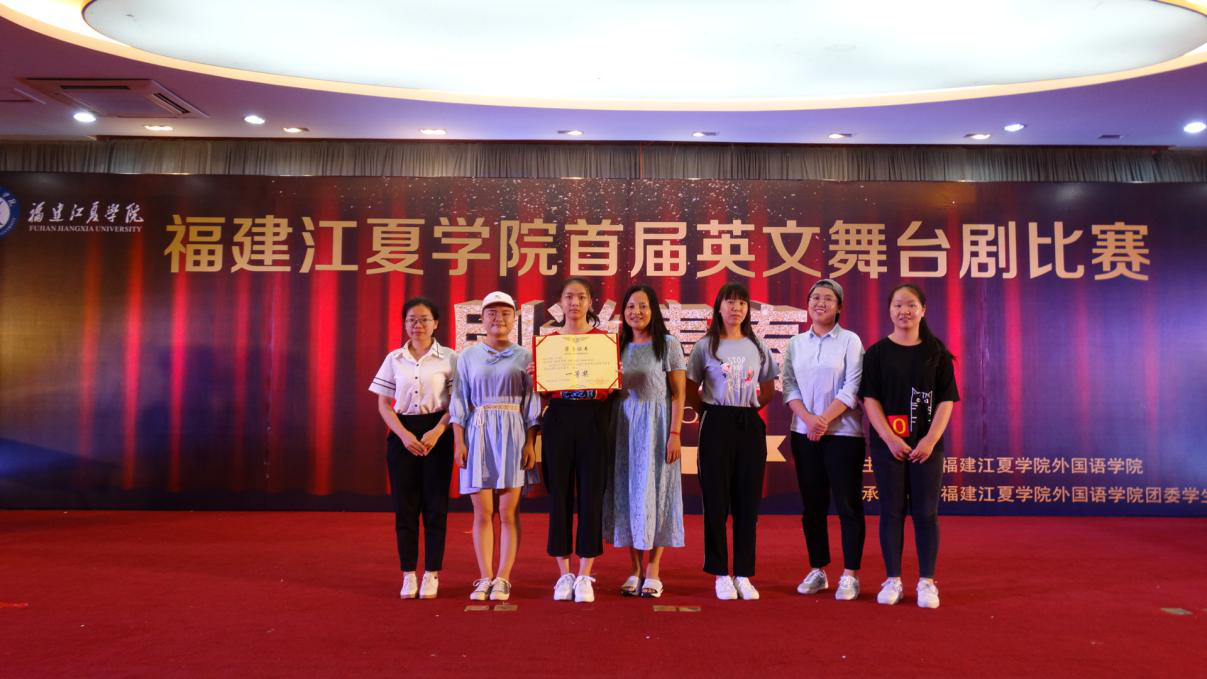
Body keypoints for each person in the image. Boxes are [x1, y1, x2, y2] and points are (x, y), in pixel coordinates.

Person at [859, 283, 959, 609]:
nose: (904, 311)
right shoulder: (876, 354)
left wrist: (930, 439)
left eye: (911, 305)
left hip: (927, 448)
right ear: (889, 311)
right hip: (888, 447)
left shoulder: (936, 353)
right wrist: (889, 438)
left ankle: (927, 581)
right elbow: (869, 399)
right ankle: (893, 579)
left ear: (923, 310)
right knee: (891, 511)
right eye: (898, 305)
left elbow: (946, 400)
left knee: (926, 513)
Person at [685, 282, 779, 601]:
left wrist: (747, 409)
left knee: (747, 502)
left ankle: (743, 573)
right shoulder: (705, 346)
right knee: (716, 501)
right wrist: (711, 412)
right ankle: (720, 573)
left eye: (741, 302)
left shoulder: (757, 345)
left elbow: (768, 387)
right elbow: (691, 388)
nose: (736, 308)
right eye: (730, 302)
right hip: (716, 422)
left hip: (748, 424)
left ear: (748, 309)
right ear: (719, 307)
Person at [449, 291, 540, 602]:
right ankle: (484, 576)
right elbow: (459, 400)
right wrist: (459, 441)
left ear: (514, 319)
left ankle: (503, 578)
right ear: (482, 318)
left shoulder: (526, 356)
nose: (498, 319)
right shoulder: (468, 356)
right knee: (483, 512)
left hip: (514, 432)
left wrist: (531, 442)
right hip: (478, 432)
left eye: (505, 313)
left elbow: (533, 402)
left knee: (508, 512)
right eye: (491, 313)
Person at [782, 279, 866, 601]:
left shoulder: (850, 341)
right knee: (812, 506)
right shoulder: (796, 343)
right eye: (815, 297)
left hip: (843, 435)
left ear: (839, 306)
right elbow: (789, 386)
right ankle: (817, 569)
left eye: (828, 299)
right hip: (804, 434)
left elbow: (852, 386)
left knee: (848, 505)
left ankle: (850, 574)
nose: (820, 303)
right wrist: (809, 420)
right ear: (807, 304)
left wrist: (824, 420)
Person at [369, 297, 457, 599]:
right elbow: (384, 404)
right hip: (402, 432)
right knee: (405, 508)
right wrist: (404, 435)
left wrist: (438, 431)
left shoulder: (450, 358)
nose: (417, 325)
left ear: (436, 323)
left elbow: (457, 402)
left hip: (438, 433)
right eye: (411, 320)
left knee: (435, 506)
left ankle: (432, 572)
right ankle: (408, 573)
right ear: (405, 324)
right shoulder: (394, 358)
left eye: (423, 319)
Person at [604, 284, 686, 599]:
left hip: (658, 428)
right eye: (630, 307)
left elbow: (678, 395)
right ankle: (635, 569)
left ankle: (654, 570)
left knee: (657, 493)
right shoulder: (615, 346)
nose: (636, 312)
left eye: (642, 306)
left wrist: (675, 434)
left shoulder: (668, 345)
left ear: (653, 310)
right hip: (623, 429)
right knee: (629, 494)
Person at [537, 277, 617, 603]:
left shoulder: (604, 342)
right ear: (560, 302)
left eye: (581, 297)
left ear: (590, 302)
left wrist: (614, 373)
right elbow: (543, 394)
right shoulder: (549, 343)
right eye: (569, 297)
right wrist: (537, 377)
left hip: (594, 419)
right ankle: (563, 574)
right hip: (558, 418)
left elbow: (613, 390)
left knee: (591, 496)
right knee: (559, 496)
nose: (575, 303)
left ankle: (585, 574)